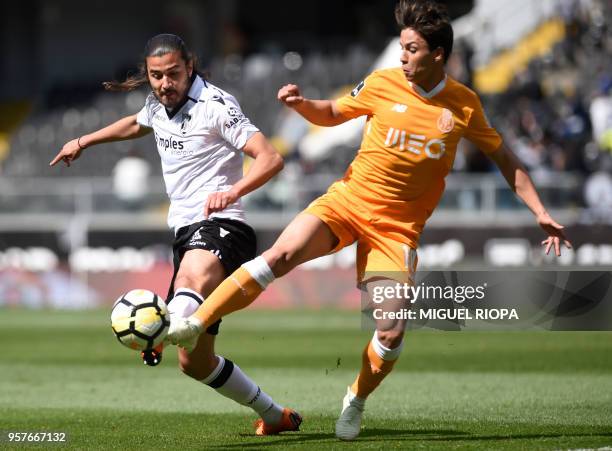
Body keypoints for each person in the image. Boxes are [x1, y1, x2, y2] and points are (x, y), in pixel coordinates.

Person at [167, 0, 573, 441]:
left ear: (438, 54)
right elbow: (334, 113)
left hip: (395, 230)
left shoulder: (463, 105)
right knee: (279, 253)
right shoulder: (383, 83)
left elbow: (507, 160)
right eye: (401, 47)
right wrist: (303, 105)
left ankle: (355, 399)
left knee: (391, 330)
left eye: (412, 49)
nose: (402, 56)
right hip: (346, 202)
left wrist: (541, 212)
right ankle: (195, 323)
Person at [50, 34, 302, 436]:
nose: (165, 83)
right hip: (186, 231)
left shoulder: (216, 106)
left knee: (187, 284)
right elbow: (137, 122)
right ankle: (275, 416)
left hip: (224, 226)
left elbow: (271, 158)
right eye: (156, 76)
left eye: (173, 74)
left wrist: (232, 191)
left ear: (190, 67)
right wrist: (83, 141)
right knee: (195, 364)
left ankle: (159, 327)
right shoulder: (158, 104)